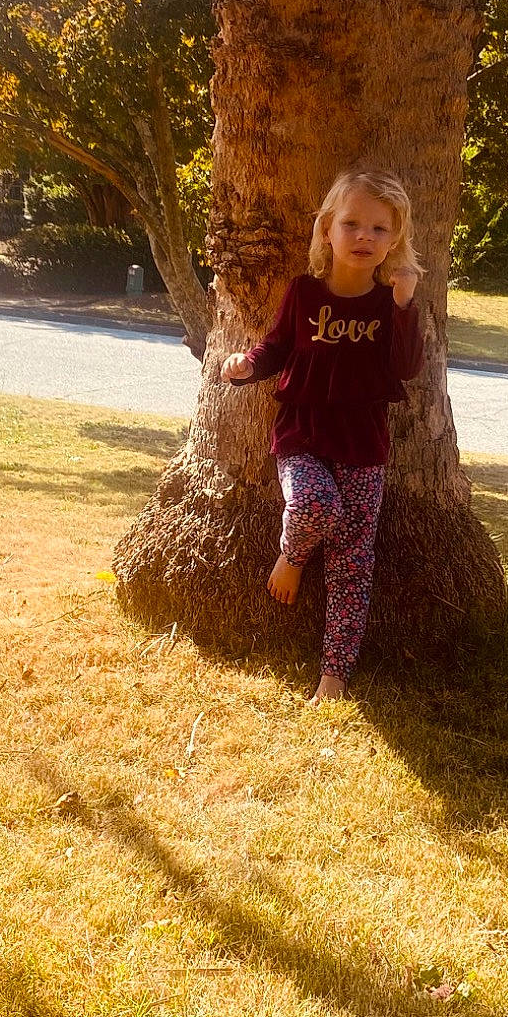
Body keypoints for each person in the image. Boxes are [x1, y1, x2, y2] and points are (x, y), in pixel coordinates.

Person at [221, 167, 424, 702]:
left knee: (354, 561)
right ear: (327, 231)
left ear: (394, 241)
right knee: (313, 504)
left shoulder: (389, 306)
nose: (364, 237)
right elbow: (277, 347)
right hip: (303, 434)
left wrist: (404, 306)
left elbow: (405, 367)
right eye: (352, 224)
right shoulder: (304, 293)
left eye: (380, 230)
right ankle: (290, 556)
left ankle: (333, 675)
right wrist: (247, 364)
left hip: (362, 445)